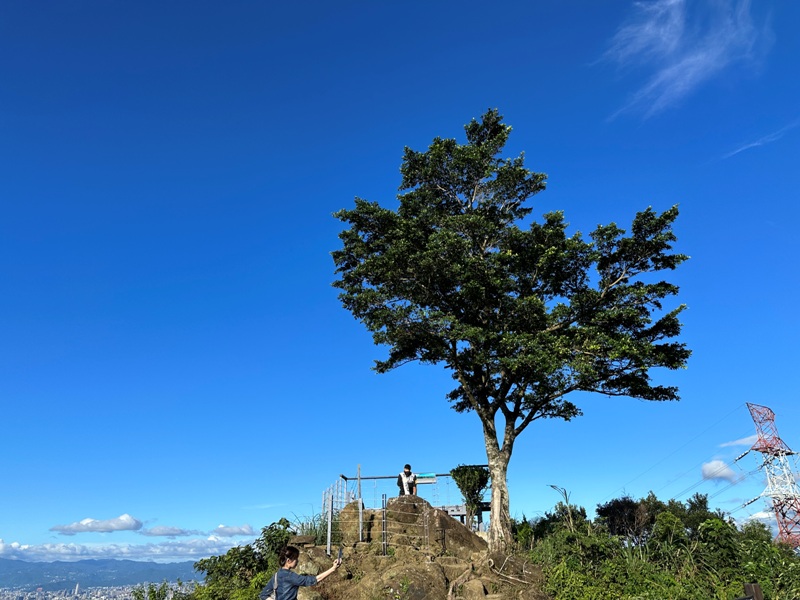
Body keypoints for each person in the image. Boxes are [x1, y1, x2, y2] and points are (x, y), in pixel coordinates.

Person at [259, 545, 340, 600]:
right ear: (288, 560)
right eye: (296, 558)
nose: (297, 561)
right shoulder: (290, 576)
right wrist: (333, 569)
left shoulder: (276, 575)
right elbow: (314, 580)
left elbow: (263, 595)